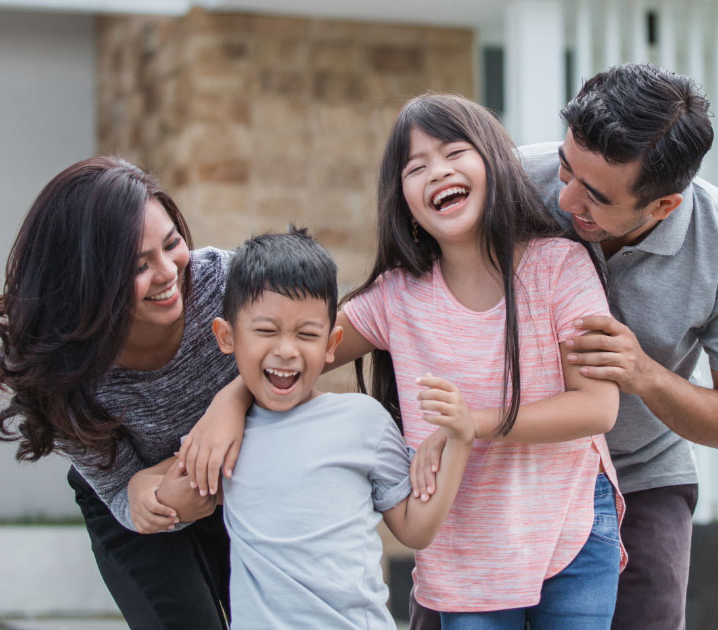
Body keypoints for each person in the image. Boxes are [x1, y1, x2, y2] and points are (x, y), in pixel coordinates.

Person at [179, 94, 627, 630]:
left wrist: (474, 424)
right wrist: (229, 400)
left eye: (454, 153)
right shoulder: (396, 296)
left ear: (494, 162)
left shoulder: (559, 266)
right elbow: (302, 350)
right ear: (404, 199)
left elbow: (598, 408)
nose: (437, 172)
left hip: (568, 523)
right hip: (462, 544)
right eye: (416, 167)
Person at [408, 63, 718, 630]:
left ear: (663, 207)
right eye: (565, 169)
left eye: (596, 197)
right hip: (496, 470)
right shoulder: (507, 183)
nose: (563, 201)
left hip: (637, 474)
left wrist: (646, 375)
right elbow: (397, 294)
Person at [0, 156, 252, 629]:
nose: (168, 272)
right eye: (138, 265)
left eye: (172, 244)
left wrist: (234, 399)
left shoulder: (232, 286)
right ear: (85, 279)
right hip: (129, 498)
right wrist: (150, 495)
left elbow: (303, 357)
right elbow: (129, 494)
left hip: (242, 477)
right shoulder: (58, 373)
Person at [189, 228, 474, 630]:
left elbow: (416, 528)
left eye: (306, 334)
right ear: (226, 336)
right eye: (267, 331)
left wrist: (461, 440)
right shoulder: (223, 435)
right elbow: (179, 496)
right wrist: (138, 489)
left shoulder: (364, 421)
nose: (286, 350)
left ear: (331, 343)